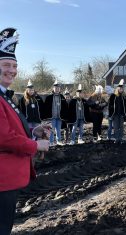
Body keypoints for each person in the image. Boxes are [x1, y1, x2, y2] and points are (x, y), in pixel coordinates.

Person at [0, 27, 50, 235]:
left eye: (14, 65)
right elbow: (4, 138)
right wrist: (36, 145)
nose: (12, 70)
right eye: (6, 65)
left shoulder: (4, 95)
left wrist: (33, 131)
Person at [43, 79, 68, 146]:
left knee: (58, 130)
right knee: (51, 130)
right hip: (52, 117)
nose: (57, 89)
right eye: (55, 88)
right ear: (53, 88)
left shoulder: (62, 97)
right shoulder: (49, 97)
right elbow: (46, 107)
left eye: (58, 88)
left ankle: (58, 141)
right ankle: (51, 142)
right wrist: (46, 116)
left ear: (59, 89)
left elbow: (65, 106)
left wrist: (65, 115)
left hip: (59, 117)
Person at [108, 79, 126, 144]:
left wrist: (125, 114)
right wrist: (111, 113)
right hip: (115, 114)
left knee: (121, 127)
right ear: (118, 88)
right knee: (116, 127)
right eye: (120, 88)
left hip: (121, 114)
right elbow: (109, 105)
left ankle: (120, 138)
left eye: (122, 88)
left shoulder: (124, 97)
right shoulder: (113, 96)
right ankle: (116, 138)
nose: (121, 90)